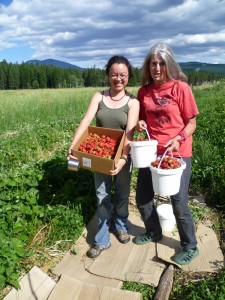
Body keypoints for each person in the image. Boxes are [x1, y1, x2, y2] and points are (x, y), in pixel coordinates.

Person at [67, 55, 140, 258]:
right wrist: (73, 145)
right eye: (114, 74)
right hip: (101, 155)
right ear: (108, 74)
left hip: (123, 153)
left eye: (123, 75)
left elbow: (129, 134)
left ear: (128, 76)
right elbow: (85, 122)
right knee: (102, 196)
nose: (118, 79)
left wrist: (123, 159)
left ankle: (120, 225)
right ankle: (101, 239)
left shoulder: (133, 102)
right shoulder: (99, 97)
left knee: (123, 194)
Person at [134, 43, 199, 266]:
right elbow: (140, 119)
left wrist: (179, 138)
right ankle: (154, 231)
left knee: (179, 202)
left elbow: (192, 123)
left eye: (162, 63)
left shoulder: (180, 88)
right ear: (148, 66)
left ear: (169, 64)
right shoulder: (144, 92)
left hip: (178, 153)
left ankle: (190, 246)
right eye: (153, 63)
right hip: (151, 153)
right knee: (143, 198)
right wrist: (140, 123)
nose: (158, 68)